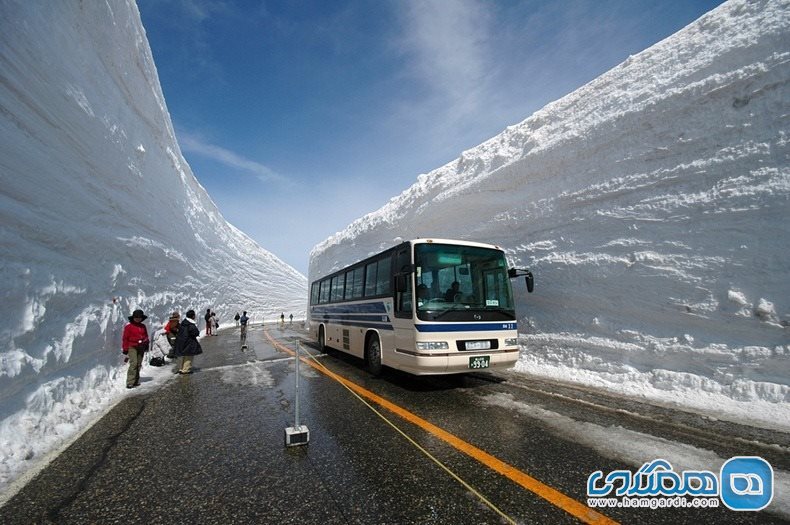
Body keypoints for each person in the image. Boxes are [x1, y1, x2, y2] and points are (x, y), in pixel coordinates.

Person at [122, 309, 149, 389]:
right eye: (136, 317)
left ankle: (136, 381)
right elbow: (125, 338)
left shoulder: (143, 326)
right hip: (132, 346)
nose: (138, 318)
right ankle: (130, 382)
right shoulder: (128, 327)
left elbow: (146, 336)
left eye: (139, 317)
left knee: (138, 364)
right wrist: (125, 348)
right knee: (134, 363)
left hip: (141, 347)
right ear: (133, 317)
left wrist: (146, 344)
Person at [175, 309, 202, 374]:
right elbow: (195, 332)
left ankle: (181, 368)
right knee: (189, 356)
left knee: (183, 355)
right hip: (188, 342)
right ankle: (186, 370)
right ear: (192, 316)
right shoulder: (191, 324)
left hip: (182, 341)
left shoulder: (184, 322)